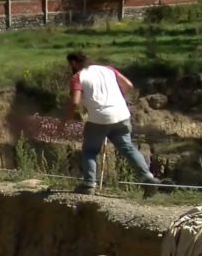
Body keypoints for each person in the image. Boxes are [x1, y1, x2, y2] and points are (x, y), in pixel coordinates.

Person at [65, 51, 161, 195]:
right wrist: (115, 97)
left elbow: (75, 102)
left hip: (99, 118)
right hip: (122, 114)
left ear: (73, 63)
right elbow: (128, 84)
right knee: (128, 148)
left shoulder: (77, 77)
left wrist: (65, 120)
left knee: (90, 151)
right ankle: (147, 178)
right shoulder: (108, 70)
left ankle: (89, 184)